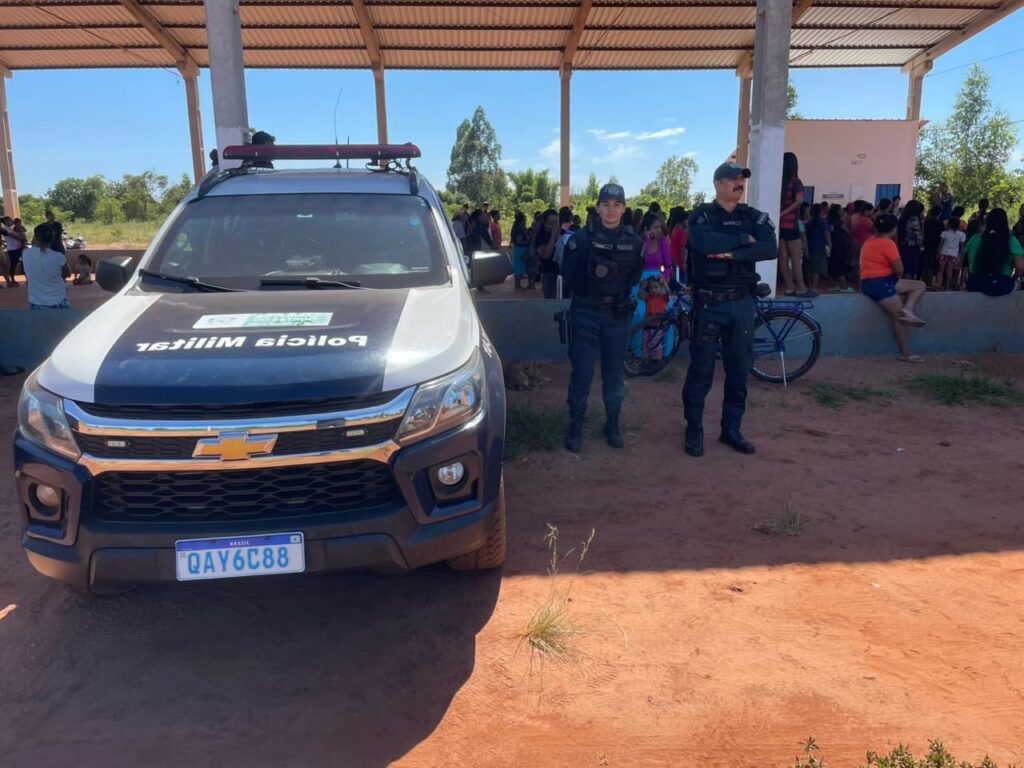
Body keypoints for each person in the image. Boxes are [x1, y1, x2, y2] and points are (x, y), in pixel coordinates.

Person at [682, 162, 777, 458]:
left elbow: (769, 248)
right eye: (733, 179)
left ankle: (731, 429)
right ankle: (694, 428)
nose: (739, 183)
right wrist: (741, 240)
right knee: (701, 370)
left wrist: (729, 253)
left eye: (741, 179)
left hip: (742, 304)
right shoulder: (701, 216)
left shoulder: (752, 216)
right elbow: (702, 242)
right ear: (717, 183)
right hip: (710, 304)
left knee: (738, 369)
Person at [560, 183, 643, 452]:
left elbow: (634, 277)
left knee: (614, 375)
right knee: (582, 372)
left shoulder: (634, 241)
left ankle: (613, 425)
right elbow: (570, 275)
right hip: (585, 312)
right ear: (598, 208)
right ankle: (575, 427)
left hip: (617, 316)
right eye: (605, 204)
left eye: (616, 205)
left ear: (624, 208)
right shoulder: (581, 239)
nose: (611, 210)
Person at [859, 213, 927, 362]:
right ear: (894, 229)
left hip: (876, 281)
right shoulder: (888, 243)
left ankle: (908, 309)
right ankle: (905, 352)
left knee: (920, 285)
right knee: (899, 318)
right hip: (880, 283)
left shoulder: (870, 240)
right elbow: (899, 269)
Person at [778, 152, 814, 297]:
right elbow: (799, 201)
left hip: (780, 226)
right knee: (795, 258)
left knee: (783, 257)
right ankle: (801, 288)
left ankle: (789, 287)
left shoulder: (780, 183)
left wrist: (779, 214)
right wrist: (785, 212)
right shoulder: (795, 181)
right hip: (791, 224)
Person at [965, 208, 1024, 296]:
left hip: (976, 283)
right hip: (1001, 285)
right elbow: (1020, 268)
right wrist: (1012, 279)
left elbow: (968, 260)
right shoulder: (1011, 240)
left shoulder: (975, 239)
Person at [22, 224, 70, 309]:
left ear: (35, 237)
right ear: (52, 239)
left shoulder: (25, 254)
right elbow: (67, 273)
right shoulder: (58, 256)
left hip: (36, 302)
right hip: (58, 300)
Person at [533, 208, 561, 299]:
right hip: (550, 274)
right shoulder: (541, 237)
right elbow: (546, 255)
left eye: (556, 223)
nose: (554, 226)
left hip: (563, 274)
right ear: (545, 224)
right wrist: (553, 236)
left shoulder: (563, 234)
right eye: (551, 223)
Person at [804, 203, 830, 294]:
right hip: (819, 246)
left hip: (809, 246)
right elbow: (826, 233)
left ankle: (810, 286)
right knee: (816, 267)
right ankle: (814, 287)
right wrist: (830, 244)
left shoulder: (808, 222)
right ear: (820, 211)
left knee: (809, 267)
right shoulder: (822, 221)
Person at [826, 204, 852, 292]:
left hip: (831, 244)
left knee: (832, 264)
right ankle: (844, 286)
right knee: (841, 264)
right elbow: (847, 231)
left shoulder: (828, 220)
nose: (842, 211)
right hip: (840, 244)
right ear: (837, 211)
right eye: (841, 210)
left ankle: (832, 285)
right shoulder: (838, 221)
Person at [897, 200, 924, 279]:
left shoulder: (901, 217)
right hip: (912, 246)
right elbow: (917, 234)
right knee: (909, 268)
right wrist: (921, 246)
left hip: (902, 244)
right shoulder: (914, 219)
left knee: (903, 265)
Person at [937, 217, 965, 291]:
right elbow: (962, 248)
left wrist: (938, 253)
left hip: (944, 253)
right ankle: (947, 287)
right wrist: (961, 258)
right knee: (949, 271)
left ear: (949, 224)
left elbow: (940, 245)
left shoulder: (944, 233)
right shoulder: (961, 235)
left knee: (940, 271)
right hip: (953, 255)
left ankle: (938, 285)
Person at [921, 204, 943, 288]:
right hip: (935, 245)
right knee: (931, 264)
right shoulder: (940, 224)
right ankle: (929, 283)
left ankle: (924, 281)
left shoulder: (926, 222)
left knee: (924, 263)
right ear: (939, 213)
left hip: (925, 244)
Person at [510, 212, 531, 290]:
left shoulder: (516, 227)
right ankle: (517, 285)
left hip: (518, 249)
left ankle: (518, 285)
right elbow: (519, 241)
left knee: (518, 267)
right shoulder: (519, 229)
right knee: (518, 268)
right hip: (520, 250)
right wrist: (529, 241)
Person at [667, 206, 688, 282]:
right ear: (683, 220)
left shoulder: (674, 229)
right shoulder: (682, 232)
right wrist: (685, 263)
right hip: (680, 263)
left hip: (674, 261)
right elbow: (683, 249)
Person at [1, 216, 23, 287]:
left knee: (9, 265)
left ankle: (10, 281)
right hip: (12, 249)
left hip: (16, 248)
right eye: (10, 220)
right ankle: (11, 281)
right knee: (10, 265)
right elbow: (14, 236)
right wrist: (22, 239)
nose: (12, 221)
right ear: (6, 221)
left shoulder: (9, 229)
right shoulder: (5, 230)